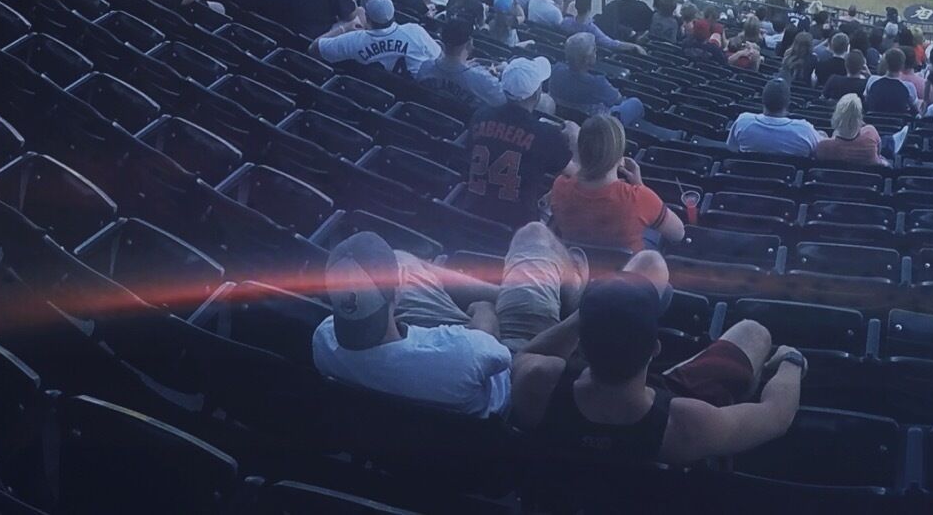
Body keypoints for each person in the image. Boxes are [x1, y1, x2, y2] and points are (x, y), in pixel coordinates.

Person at [508, 276, 804, 464]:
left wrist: (592, 311)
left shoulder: (538, 385)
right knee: (753, 331)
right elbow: (778, 416)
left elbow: (528, 353)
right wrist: (792, 360)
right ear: (655, 349)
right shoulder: (688, 424)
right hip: (657, 405)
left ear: (581, 348)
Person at [312, 230, 584, 412]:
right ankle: (561, 294)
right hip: (504, 362)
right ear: (397, 292)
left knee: (400, 260)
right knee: (534, 235)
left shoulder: (324, 340)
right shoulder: (462, 353)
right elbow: (488, 339)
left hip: (422, 352)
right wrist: (484, 308)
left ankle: (516, 293)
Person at [463, 58, 575, 229]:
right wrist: (575, 137)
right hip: (518, 229)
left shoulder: (480, 116)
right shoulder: (546, 134)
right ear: (537, 93)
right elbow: (579, 175)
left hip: (469, 215)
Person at [546, 113, 684, 250]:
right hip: (627, 270)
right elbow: (678, 234)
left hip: (580, 267)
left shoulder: (560, 186)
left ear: (581, 150)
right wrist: (640, 186)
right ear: (620, 156)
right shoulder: (638, 198)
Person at [317, 0, 442, 75]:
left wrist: (344, 28)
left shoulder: (354, 39)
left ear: (367, 18)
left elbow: (314, 48)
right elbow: (439, 57)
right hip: (412, 101)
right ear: (393, 14)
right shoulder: (414, 31)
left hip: (372, 96)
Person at [548, 32, 644, 128]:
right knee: (635, 103)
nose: (596, 51)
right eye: (594, 49)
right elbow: (618, 99)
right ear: (586, 59)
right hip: (598, 126)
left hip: (562, 116)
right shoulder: (598, 83)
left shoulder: (556, 70)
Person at [418, 16, 503, 114]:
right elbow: (501, 101)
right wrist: (493, 74)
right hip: (463, 127)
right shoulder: (483, 80)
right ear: (469, 43)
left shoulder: (425, 67)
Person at [727, 77, 821, 158]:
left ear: (762, 101)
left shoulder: (743, 121)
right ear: (788, 104)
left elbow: (732, 147)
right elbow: (821, 153)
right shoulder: (804, 130)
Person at [813, 93, 885, 168]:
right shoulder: (870, 133)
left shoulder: (823, 147)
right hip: (867, 178)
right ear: (860, 115)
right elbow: (879, 152)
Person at [862, 46, 917, 120]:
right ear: (902, 66)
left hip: (875, 124)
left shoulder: (872, 81)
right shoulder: (909, 87)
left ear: (886, 63)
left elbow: (866, 102)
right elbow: (914, 108)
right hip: (898, 127)